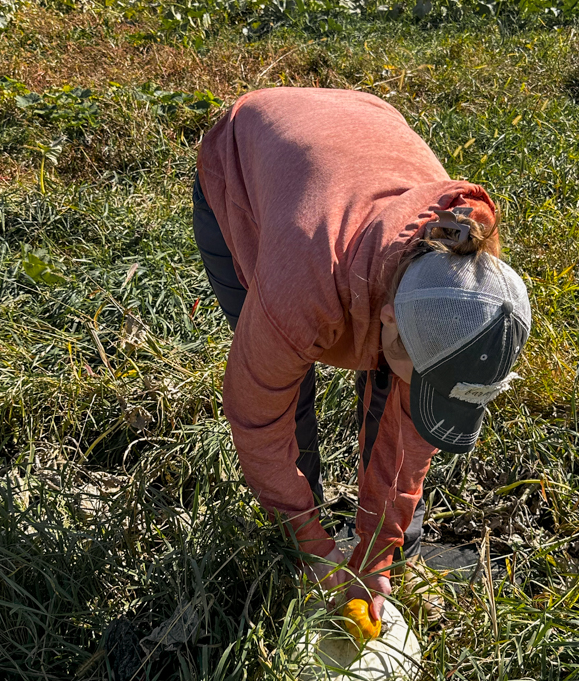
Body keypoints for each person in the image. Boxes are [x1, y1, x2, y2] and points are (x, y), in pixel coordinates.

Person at [193, 87, 531, 620]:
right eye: (421, 379)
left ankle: (383, 562)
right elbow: (258, 418)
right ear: (390, 319)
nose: (421, 395)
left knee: (395, 391)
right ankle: (299, 558)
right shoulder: (301, 280)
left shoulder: (465, 281)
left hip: (364, 126)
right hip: (252, 149)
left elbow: (411, 437)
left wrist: (379, 551)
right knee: (288, 394)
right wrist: (310, 543)